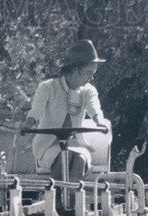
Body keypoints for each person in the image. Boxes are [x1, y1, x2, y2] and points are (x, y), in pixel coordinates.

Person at [22, 39, 110, 182]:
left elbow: (95, 109)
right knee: (65, 157)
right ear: (75, 71)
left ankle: (70, 198)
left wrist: (99, 122)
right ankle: (63, 198)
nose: (91, 78)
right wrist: (27, 125)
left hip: (77, 145)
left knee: (79, 157)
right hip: (48, 146)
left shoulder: (88, 91)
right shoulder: (48, 88)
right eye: (88, 73)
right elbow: (35, 112)